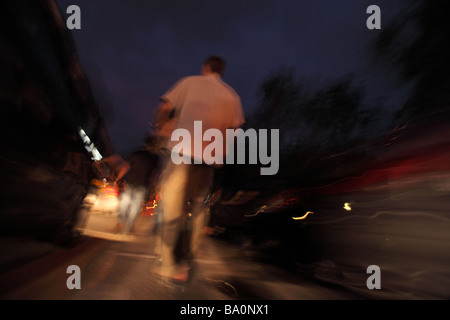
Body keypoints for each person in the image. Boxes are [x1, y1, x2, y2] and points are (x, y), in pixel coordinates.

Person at [155, 55, 245, 282]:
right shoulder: (232, 96)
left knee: (173, 206)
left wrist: (161, 127)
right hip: (208, 159)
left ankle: (169, 264)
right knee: (197, 208)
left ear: (205, 67)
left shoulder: (189, 82)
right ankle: (186, 260)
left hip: (182, 151)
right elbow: (234, 130)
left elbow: (165, 106)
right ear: (221, 72)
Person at [117, 135, 161, 235]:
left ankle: (122, 222)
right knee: (135, 208)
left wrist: (118, 178)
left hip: (131, 183)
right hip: (143, 186)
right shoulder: (155, 158)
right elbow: (155, 174)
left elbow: (126, 167)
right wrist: (156, 187)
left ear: (144, 144)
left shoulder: (136, 154)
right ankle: (128, 228)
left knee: (124, 204)